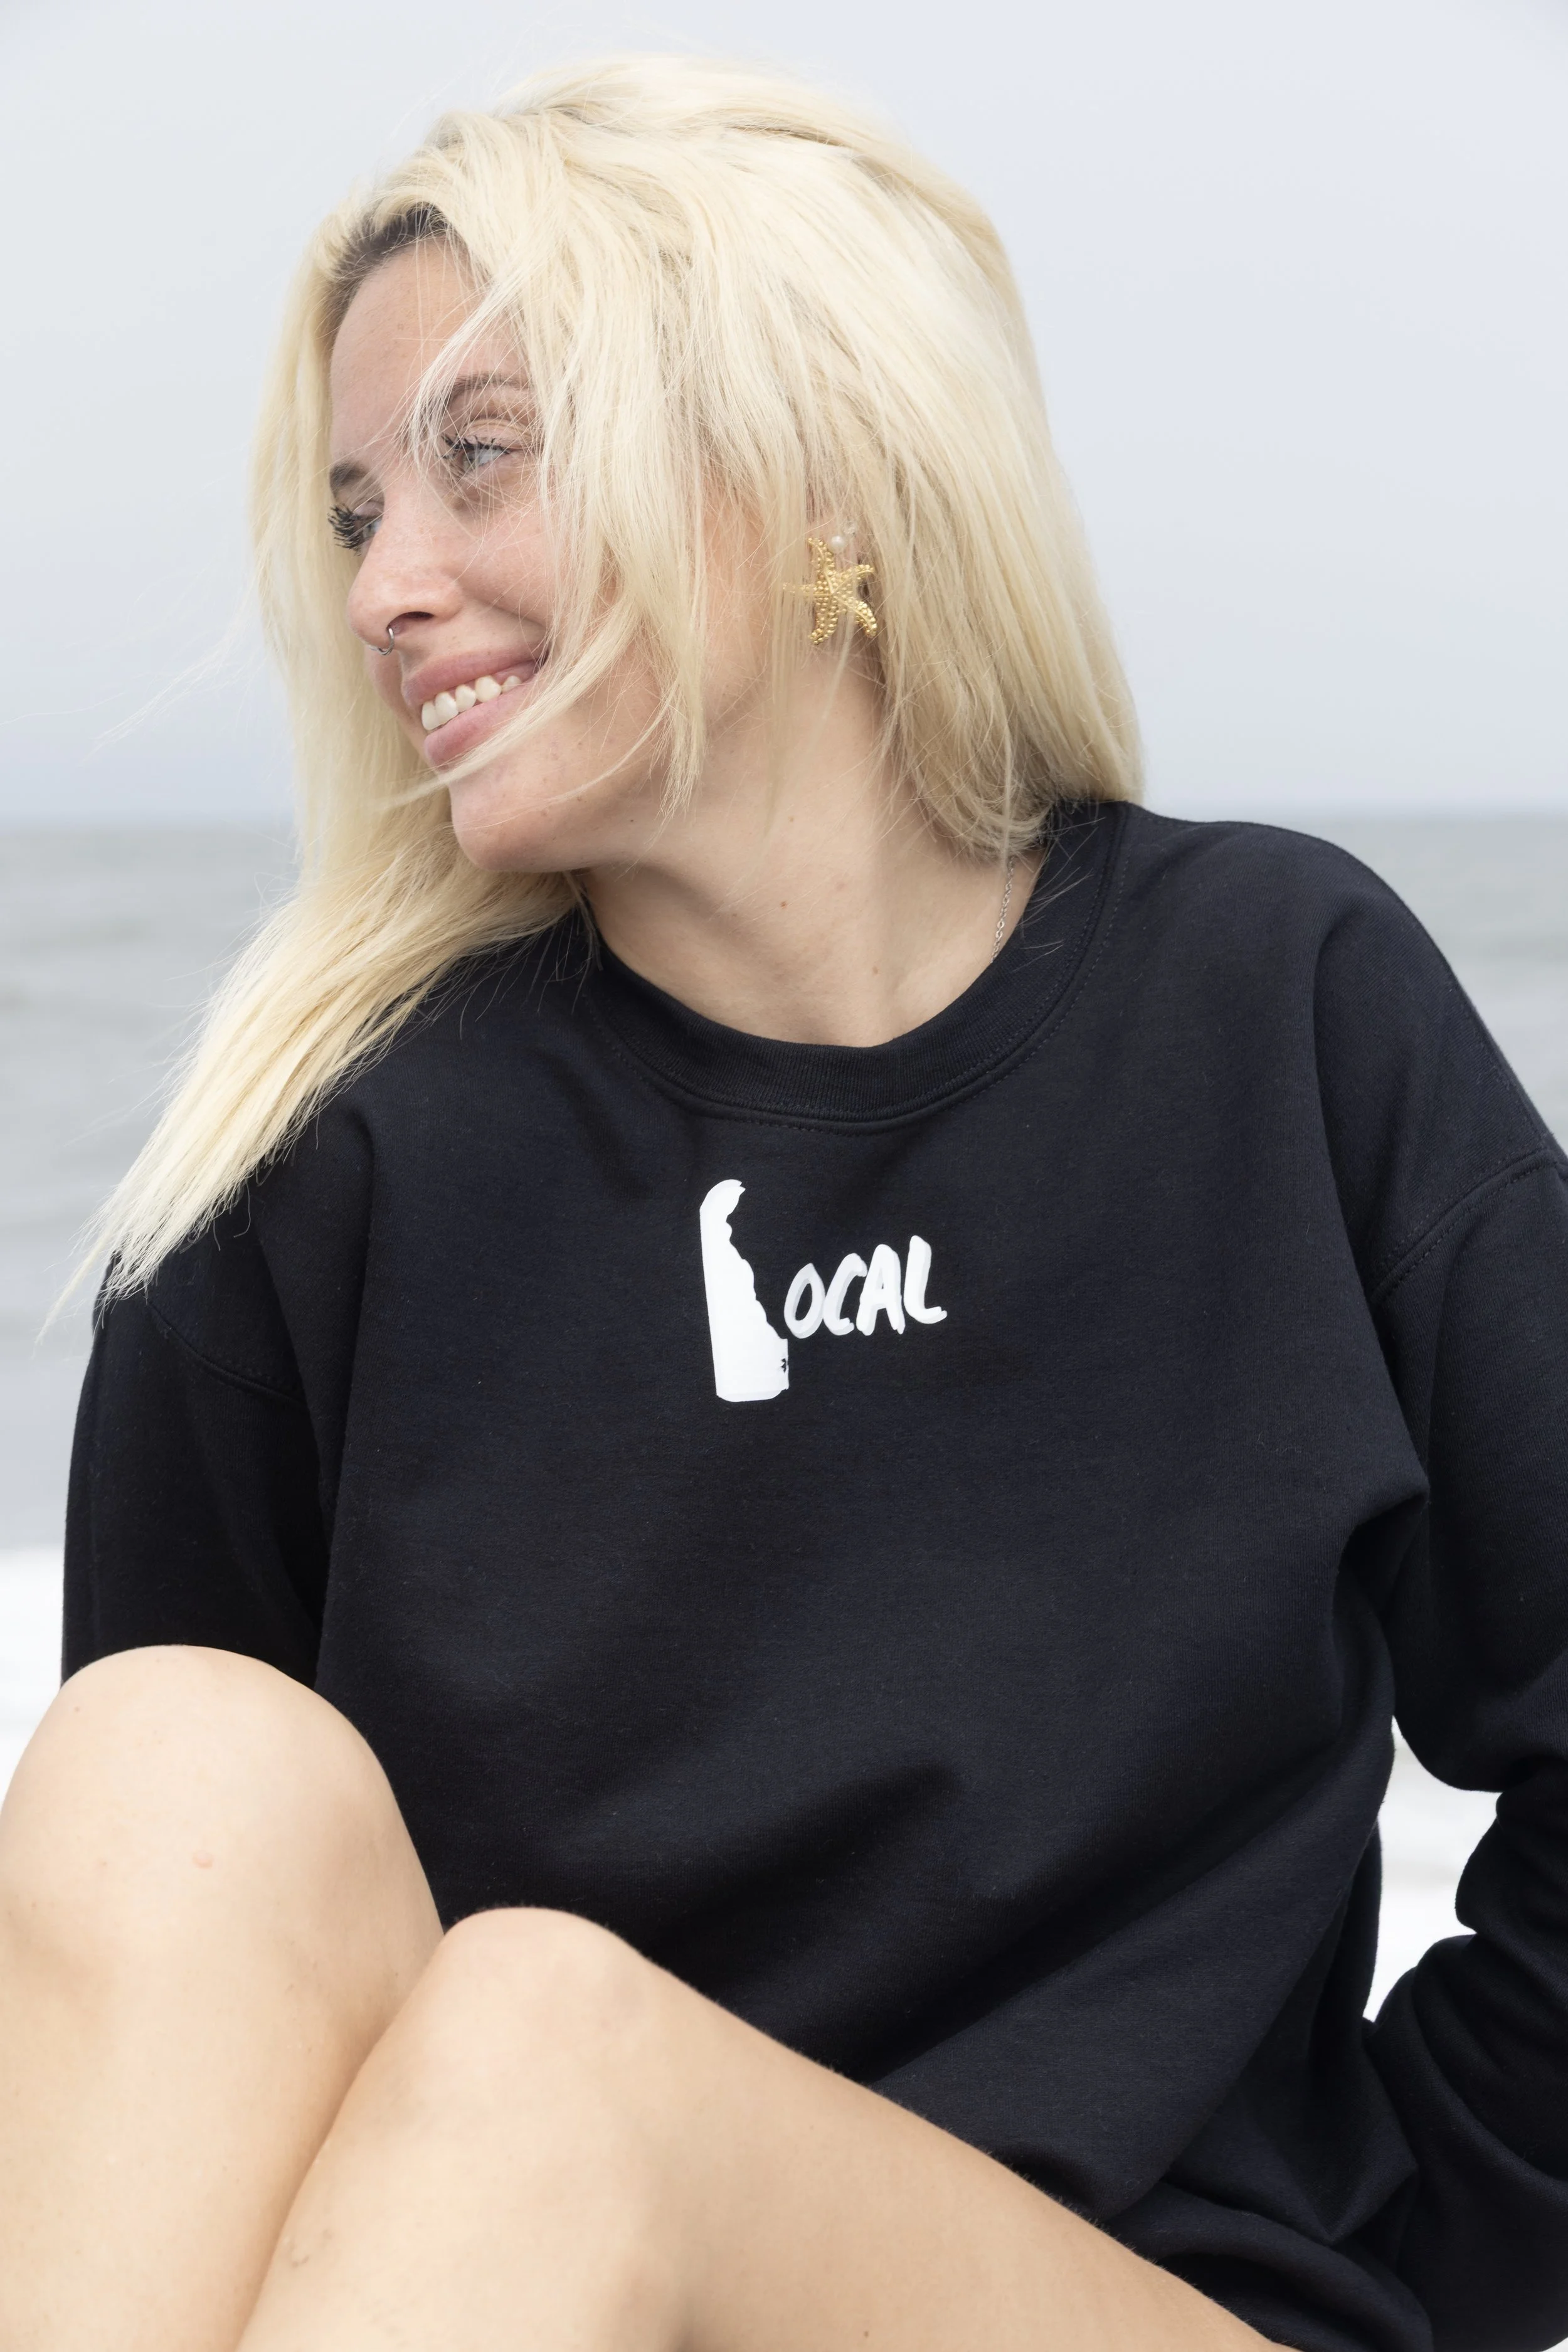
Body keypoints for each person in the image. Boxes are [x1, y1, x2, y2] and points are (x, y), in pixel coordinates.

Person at [4, 51, 1565, 2352]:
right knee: (165, 1763)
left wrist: (1411, 2254)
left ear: (807, 460)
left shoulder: (1274, 1002)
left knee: (554, 2042)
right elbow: (189, 2042)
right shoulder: (316, 1172)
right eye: (352, 512)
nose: (387, 587)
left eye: (478, 455)